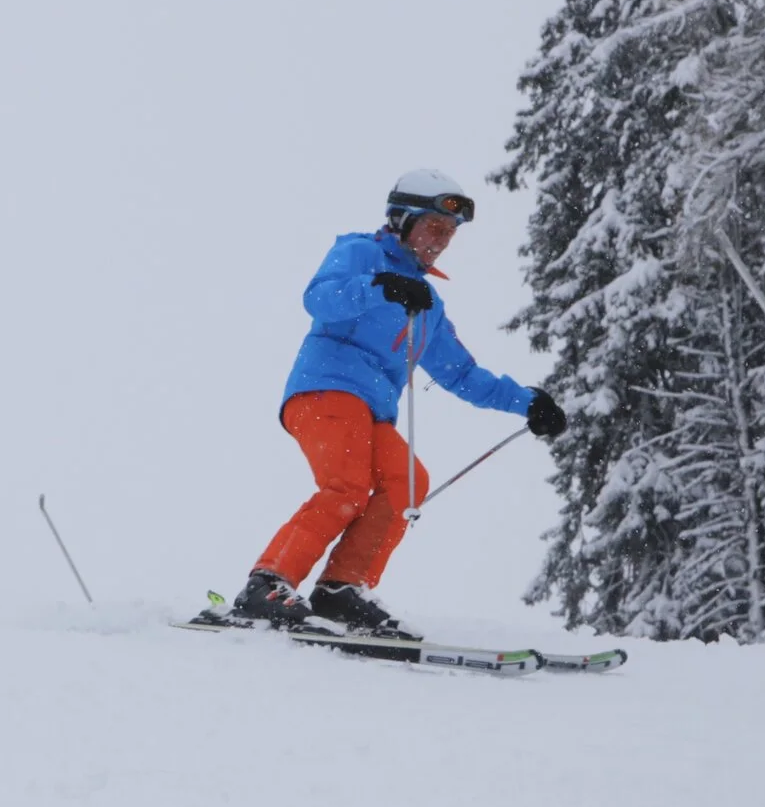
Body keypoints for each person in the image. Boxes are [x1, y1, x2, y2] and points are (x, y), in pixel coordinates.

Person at [233, 168, 567, 638]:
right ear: (402, 220)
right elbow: (319, 299)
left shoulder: (426, 302)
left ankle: (341, 590)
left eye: (449, 234)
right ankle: (266, 585)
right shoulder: (361, 252)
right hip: (326, 391)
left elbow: (461, 374)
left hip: (371, 412)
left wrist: (527, 403)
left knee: (408, 481)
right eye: (434, 228)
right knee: (346, 487)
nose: (441, 241)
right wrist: (379, 286)